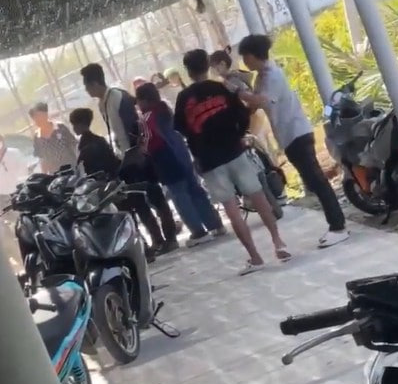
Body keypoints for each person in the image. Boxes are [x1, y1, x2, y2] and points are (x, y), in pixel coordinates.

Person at [175, 49, 291, 275]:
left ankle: (255, 257)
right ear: (207, 66)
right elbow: (242, 114)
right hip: (235, 151)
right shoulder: (222, 88)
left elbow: (182, 129)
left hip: (210, 160)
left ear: (188, 71)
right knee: (258, 197)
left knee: (232, 210)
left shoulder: (183, 99)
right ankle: (278, 242)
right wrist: (238, 135)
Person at [238, 34, 348, 249]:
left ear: (253, 55)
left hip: (297, 133)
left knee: (317, 181)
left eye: (245, 57)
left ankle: (338, 227)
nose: (244, 62)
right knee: (313, 181)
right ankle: (337, 225)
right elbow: (254, 105)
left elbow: (261, 100)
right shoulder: (261, 77)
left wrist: (238, 91)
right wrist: (243, 91)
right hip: (289, 137)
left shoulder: (272, 75)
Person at [81, 64, 178, 253]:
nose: (87, 90)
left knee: (155, 196)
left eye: (87, 86)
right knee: (138, 202)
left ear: (94, 83)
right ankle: (157, 239)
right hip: (125, 159)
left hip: (138, 156)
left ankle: (171, 236)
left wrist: (139, 152)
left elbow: (134, 125)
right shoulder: (102, 103)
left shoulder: (117, 97)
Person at [69, 107, 176, 257]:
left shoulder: (85, 146)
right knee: (141, 210)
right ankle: (156, 240)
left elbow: (86, 169)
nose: (74, 128)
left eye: (74, 124)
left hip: (106, 185)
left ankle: (144, 247)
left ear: (80, 124)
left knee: (128, 216)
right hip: (120, 179)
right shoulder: (98, 140)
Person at [135, 82, 225, 246]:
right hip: (182, 154)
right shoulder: (167, 110)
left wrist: (140, 151)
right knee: (195, 190)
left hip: (166, 159)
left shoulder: (146, 118)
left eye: (138, 101)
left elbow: (148, 143)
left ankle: (198, 232)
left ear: (144, 100)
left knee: (180, 195)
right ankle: (215, 224)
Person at [209, 48, 276, 158]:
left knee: (260, 148)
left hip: (252, 117)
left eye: (213, 67)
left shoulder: (232, 81)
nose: (212, 71)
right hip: (253, 116)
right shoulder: (235, 77)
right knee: (262, 146)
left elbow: (246, 97)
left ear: (222, 64)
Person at [0, 130, 30, 210]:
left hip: (19, 191)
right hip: (3, 195)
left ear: (2, 140)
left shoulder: (15, 152)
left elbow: (24, 170)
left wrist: (22, 186)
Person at [29, 101, 77, 174]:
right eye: (35, 117)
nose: (38, 119)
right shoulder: (37, 137)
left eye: (40, 116)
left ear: (46, 114)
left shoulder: (61, 127)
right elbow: (42, 159)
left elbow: (74, 145)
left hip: (72, 169)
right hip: (55, 174)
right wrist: (44, 176)